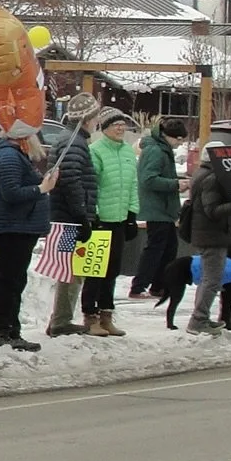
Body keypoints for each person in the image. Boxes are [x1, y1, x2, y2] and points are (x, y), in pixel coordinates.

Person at [0, 131, 54, 352]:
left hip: (19, 227)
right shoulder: (9, 156)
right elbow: (10, 193)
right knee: (9, 282)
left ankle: (10, 329)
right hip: (12, 228)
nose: (36, 138)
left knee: (14, 281)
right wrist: (41, 188)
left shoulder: (14, 154)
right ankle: (3, 330)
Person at [43, 95, 100, 338]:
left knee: (70, 267)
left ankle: (60, 317)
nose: (97, 121)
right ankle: (62, 320)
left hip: (66, 216)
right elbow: (71, 181)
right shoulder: (74, 143)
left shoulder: (69, 139)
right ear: (87, 119)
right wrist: (82, 216)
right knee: (72, 268)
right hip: (70, 219)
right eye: (95, 117)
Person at [185, 138, 231, 335]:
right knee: (213, 280)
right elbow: (212, 210)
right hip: (212, 235)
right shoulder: (212, 178)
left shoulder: (202, 173)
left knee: (209, 278)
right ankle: (199, 320)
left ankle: (200, 318)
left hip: (207, 234)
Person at [83, 110, 139, 337]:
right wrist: (94, 213)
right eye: (115, 124)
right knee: (96, 269)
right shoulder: (96, 151)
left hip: (120, 219)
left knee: (113, 269)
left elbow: (133, 184)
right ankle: (90, 316)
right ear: (104, 128)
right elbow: (92, 185)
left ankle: (107, 315)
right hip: (101, 219)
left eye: (122, 124)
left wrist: (132, 213)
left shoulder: (127, 151)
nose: (120, 128)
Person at [130, 119, 190, 300]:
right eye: (179, 139)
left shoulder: (161, 149)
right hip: (156, 208)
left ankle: (158, 285)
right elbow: (148, 179)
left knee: (169, 248)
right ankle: (139, 286)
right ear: (168, 136)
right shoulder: (156, 151)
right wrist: (175, 184)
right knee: (156, 248)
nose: (180, 143)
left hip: (164, 208)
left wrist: (175, 183)